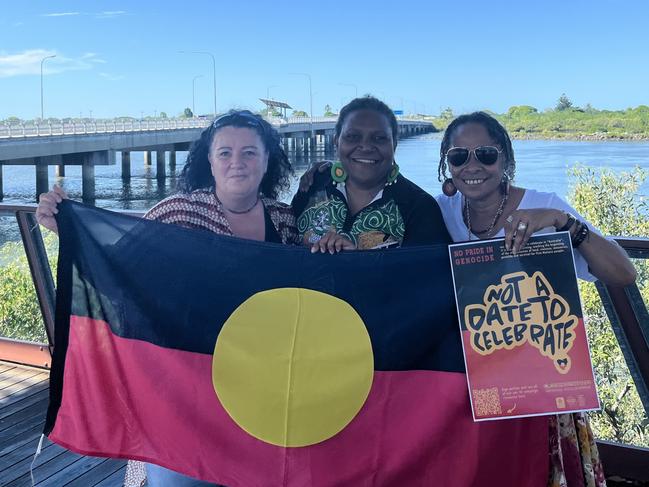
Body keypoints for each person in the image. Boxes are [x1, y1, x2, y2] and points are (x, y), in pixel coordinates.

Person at [36, 109, 299, 487]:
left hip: (259, 384)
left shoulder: (285, 218)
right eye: (225, 153)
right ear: (209, 161)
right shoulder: (178, 212)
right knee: (182, 477)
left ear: (266, 158)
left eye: (249, 152)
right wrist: (70, 230)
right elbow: (120, 267)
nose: (237, 162)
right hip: (183, 385)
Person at [435, 111, 637, 487]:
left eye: (486, 154)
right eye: (459, 156)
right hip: (471, 389)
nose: (472, 165)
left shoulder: (546, 205)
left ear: (506, 161)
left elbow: (623, 273)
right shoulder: (438, 211)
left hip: (541, 389)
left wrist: (564, 224)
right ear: (447, 164)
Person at [292, 95, 451, 251]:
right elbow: (284, 241)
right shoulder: (314, 184)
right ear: (336, 142)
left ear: (394, 145)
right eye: (353, 137)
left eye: (379, 138)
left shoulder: (419, 207)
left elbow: (427, 274)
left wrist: (359, 261)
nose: (366, 146)